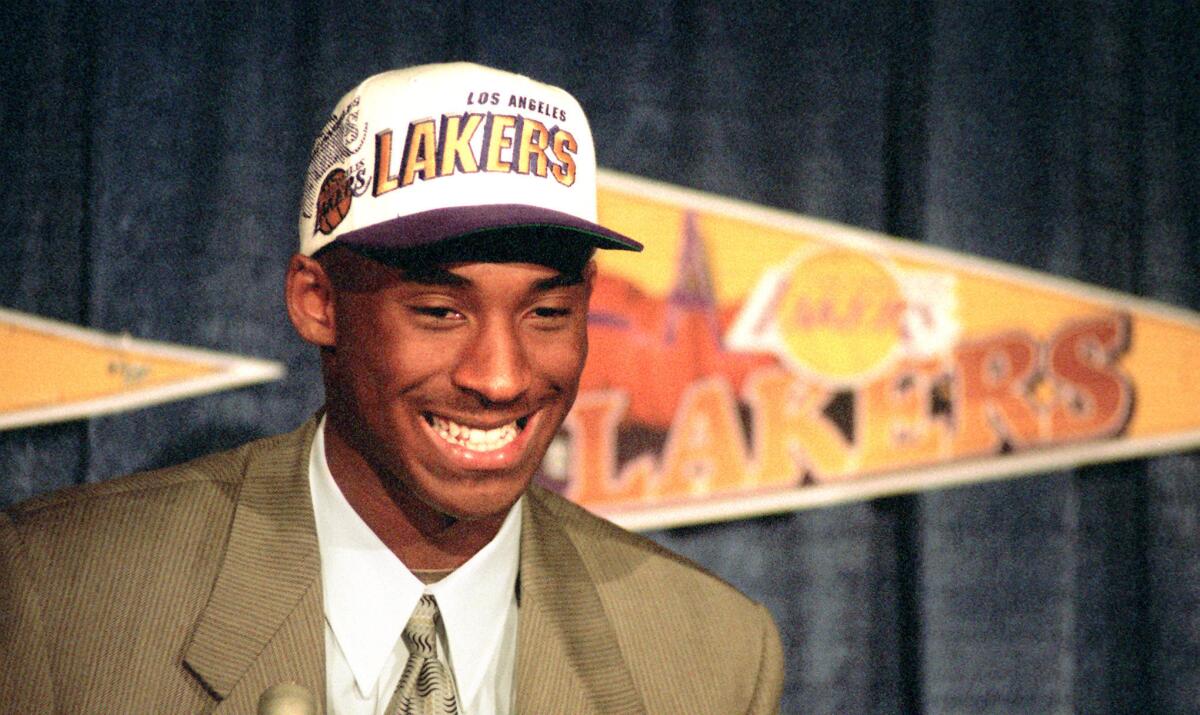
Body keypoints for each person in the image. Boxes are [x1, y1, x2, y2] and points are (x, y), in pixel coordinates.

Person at [0, 63, 783, 714]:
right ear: (317, 301)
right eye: (440, 311)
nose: (502, 376)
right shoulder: (55, 599)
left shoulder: (715, 655)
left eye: (548, 312)